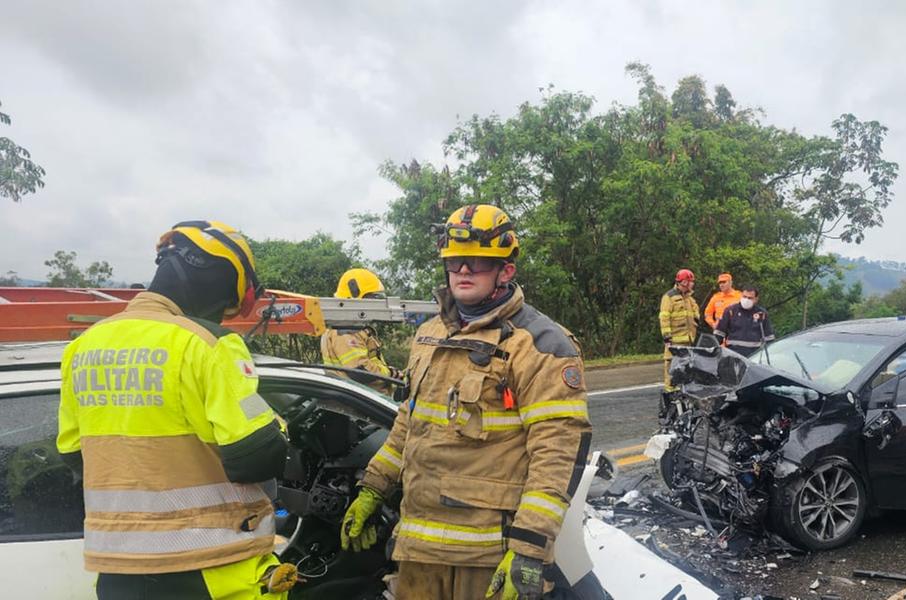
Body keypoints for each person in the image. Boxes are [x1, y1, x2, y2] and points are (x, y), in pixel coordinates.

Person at [339, 204, 591, 600]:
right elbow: (409, 423)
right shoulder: (429, 335)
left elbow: (557, 455)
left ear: (505, 270)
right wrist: (372, 488)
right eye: (455, 262)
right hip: (419, 548)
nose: (463, 271)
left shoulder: (541, 345)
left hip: (487, 556)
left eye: (477, 261)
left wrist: (529, 549)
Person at [56, 221, 294, 599]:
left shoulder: (83, 347)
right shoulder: (207, 343)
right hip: (209, 569)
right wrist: (277, 427)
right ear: (220, 283)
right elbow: (257, 456)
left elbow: (73, 454)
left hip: (118, 574)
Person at [320, 267, 400, 393]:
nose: (375, 306)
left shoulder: (354, 327)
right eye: (372, 300)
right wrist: (392, 374)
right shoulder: (345, 330)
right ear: (355, 298)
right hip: (357, 405)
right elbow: (360, 370)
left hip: (363, 400)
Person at [659, 268, 700, 391]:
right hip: (674, 341)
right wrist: (667, 336)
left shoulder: (689, 298)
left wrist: (696, 318)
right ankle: (670, 392)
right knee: (671, 366)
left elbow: (696, 313)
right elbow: (664, 317)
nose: (692, 284)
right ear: (684, 282)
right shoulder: (669, 297)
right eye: (691, 281)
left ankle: (683, 390)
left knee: (687, 367)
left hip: (688, 340)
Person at [713, 286, 775, 357]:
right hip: (732, 353)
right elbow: (719, 334)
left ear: (756, 299)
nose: (746, 300)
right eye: (744, 297)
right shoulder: (730, 311)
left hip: (754, 355)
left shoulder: (761, 314)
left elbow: (769, 338)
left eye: (750, 298)